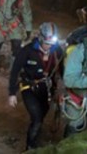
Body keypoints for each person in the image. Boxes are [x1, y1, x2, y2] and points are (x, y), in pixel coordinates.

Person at [8, 22, 65, 151]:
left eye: (51, 44)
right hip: (29, 87)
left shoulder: (57, 50)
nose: (48, 47)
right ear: (40, 38)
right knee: (37, 118)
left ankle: (35, 131)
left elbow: (62, 69)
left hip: (47, 88)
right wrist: (12, 93)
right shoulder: (27, 51)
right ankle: (30, 147)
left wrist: (62, 88)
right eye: (46, 43)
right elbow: (15, 71)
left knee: (41, 115)